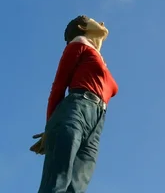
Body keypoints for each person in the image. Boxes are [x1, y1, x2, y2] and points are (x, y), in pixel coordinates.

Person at [30, 15, 119, 193]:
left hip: (97, 122)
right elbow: (58, 87)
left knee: (77, 187)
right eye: (93, 20)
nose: (101, 22)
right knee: (56, 183)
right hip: (76, 110)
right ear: (82, 27)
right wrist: (49, 128)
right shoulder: (78, 45)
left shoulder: (98, 58)